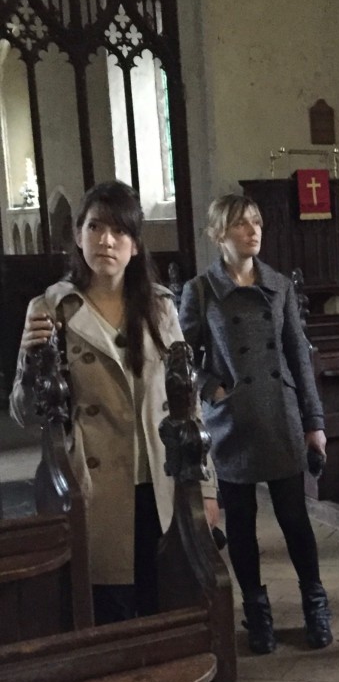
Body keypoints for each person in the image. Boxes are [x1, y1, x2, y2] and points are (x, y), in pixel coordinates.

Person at [10, 180, 218, 624]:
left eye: (119, 231)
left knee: (166, 600)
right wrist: (30, 360)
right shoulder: (52, 309)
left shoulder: (160, 309)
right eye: (95, 226)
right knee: (112, 609)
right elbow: (26, 413)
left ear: (136, 246)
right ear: (78, 235)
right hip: (94, 487)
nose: (106, 240)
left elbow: (187, 399)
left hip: (159, 479)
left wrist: (206, 487)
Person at [179, 194, 332, 655]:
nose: (253, 230)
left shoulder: (279, 285)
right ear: (219, 233)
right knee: (241, 525)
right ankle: (257, 612)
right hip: (233, 422)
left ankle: (315, 604)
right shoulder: (200, 290)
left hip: (279, 416)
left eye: (257, 222)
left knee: (294, 521)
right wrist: (212, 389)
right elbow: (181, 359)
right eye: (242, 224)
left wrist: (314, 421)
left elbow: (298, 355)